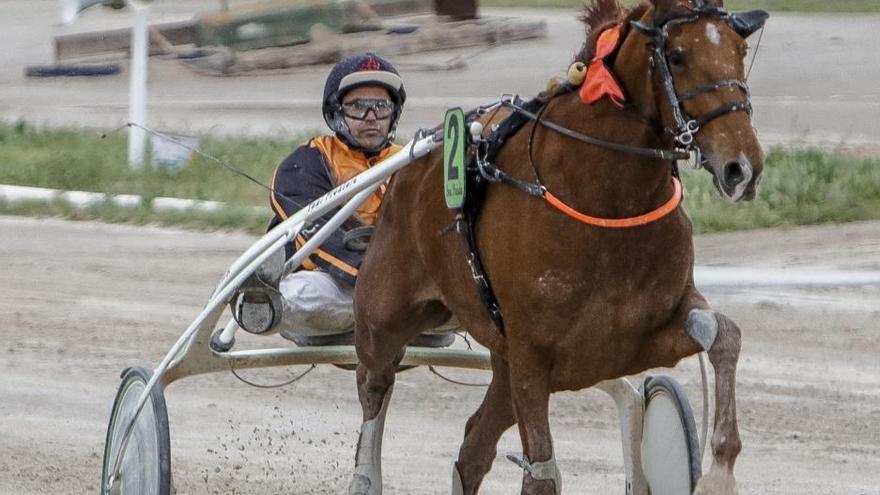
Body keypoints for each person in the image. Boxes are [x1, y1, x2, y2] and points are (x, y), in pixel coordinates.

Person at [235, 52, 453, 347]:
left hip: (412, 292)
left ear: (394, 112)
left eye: (381, 106)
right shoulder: (307, 162)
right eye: (358, 107)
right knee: (305, 292)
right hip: (336, 288)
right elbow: (319, 235)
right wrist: (379, 281)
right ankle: (262, 304)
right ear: (336, 113)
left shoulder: (413, 160)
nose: (371, 117)